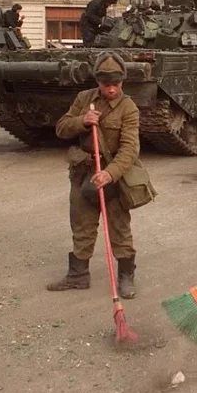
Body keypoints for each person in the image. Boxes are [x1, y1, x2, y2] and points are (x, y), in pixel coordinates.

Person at [49, 52, 142, 299]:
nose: (111, 89)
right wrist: (82, 120)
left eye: (116, 84)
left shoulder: (128, 108)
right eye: (105, 84)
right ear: (98, 82)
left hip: (112, 177)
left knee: (119, 229)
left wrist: (110, 174)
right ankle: (78, 275)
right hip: (82, 174)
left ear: (122, 81)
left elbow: (130, 148)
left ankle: (125, 277)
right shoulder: (84, 99)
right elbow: (61, 128)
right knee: (81, 224)